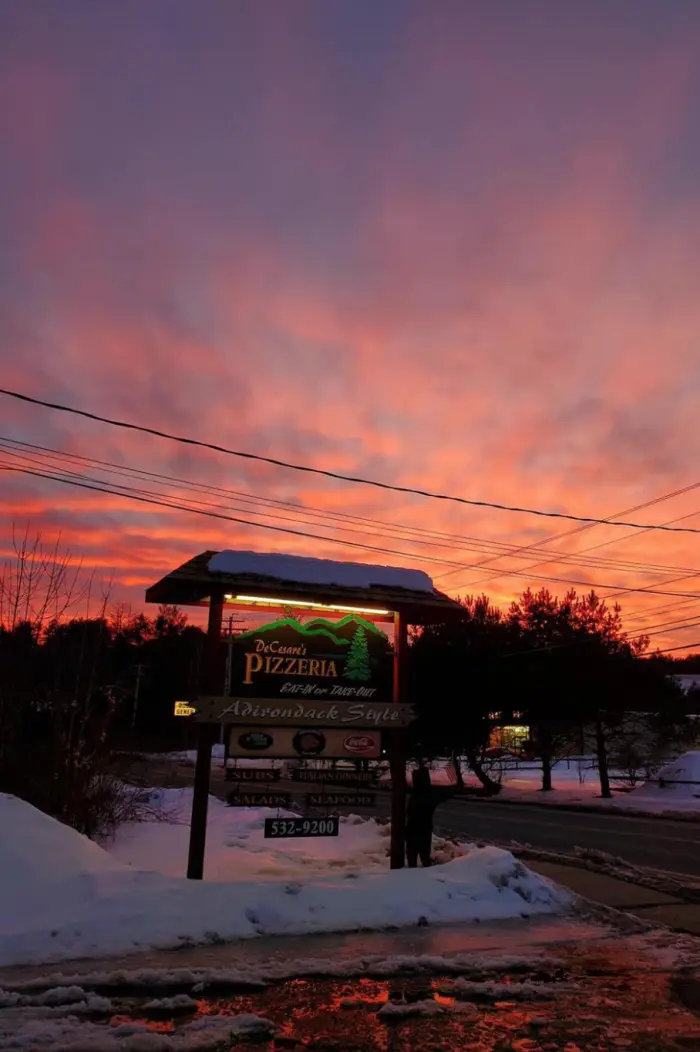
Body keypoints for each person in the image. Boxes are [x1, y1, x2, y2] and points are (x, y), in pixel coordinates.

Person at [405, 766, 455, 867]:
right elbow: (446, 795)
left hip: (412, 829)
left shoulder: (414, 797)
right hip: (424, 830)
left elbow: (408, 812)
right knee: (424, 857)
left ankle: (411, 875)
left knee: (412, 857)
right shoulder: (430, 796)